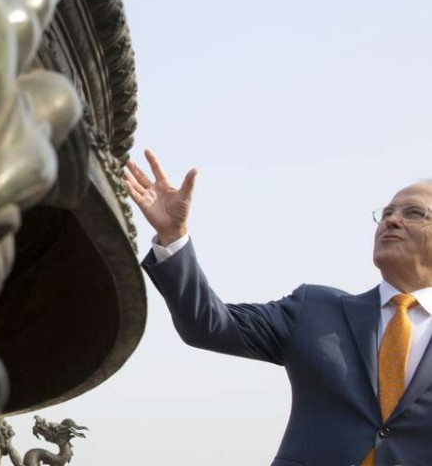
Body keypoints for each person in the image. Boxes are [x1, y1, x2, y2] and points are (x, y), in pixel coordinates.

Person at [124, 150, 432, 466]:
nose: (392, 220)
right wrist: (173, 236)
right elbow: (208, 324)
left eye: (413, 213)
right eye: (387, 213)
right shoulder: (316, 310)